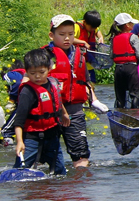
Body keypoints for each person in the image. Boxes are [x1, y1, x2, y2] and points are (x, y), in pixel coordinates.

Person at [9, 48, 69, 175]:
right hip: (31, 138)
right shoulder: (27, 92)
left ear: (49, 68)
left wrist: (64, 113)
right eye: (32, 73)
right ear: (26, 72)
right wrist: (20, 142)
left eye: (41, 72)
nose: (37, 76)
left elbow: (56, 99)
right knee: (19, 171)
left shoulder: (52, 83)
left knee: (59, 172)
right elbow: (19, 121)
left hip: (52, 136)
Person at [46, 14, 92, 168]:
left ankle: (80, 185)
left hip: (75, 111)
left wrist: (95, 100)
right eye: (62, 34)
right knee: (47, 155)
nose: (67, 38)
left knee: (81, 155)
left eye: (71, 34)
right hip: (52, 112)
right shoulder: (46, 57)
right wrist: (61, 111)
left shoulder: (79, 56)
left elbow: (85, 80)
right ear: (52, 35)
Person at [109, 12, 139, 109]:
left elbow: (111, 55)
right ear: (127, 25)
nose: (133, 25)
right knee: (135, 94)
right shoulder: (133, 37)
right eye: (131, 23)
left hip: (118, 69)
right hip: (131, 68)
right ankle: (135, 114)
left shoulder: (113, 38)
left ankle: (120, 115)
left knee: (120, 97)